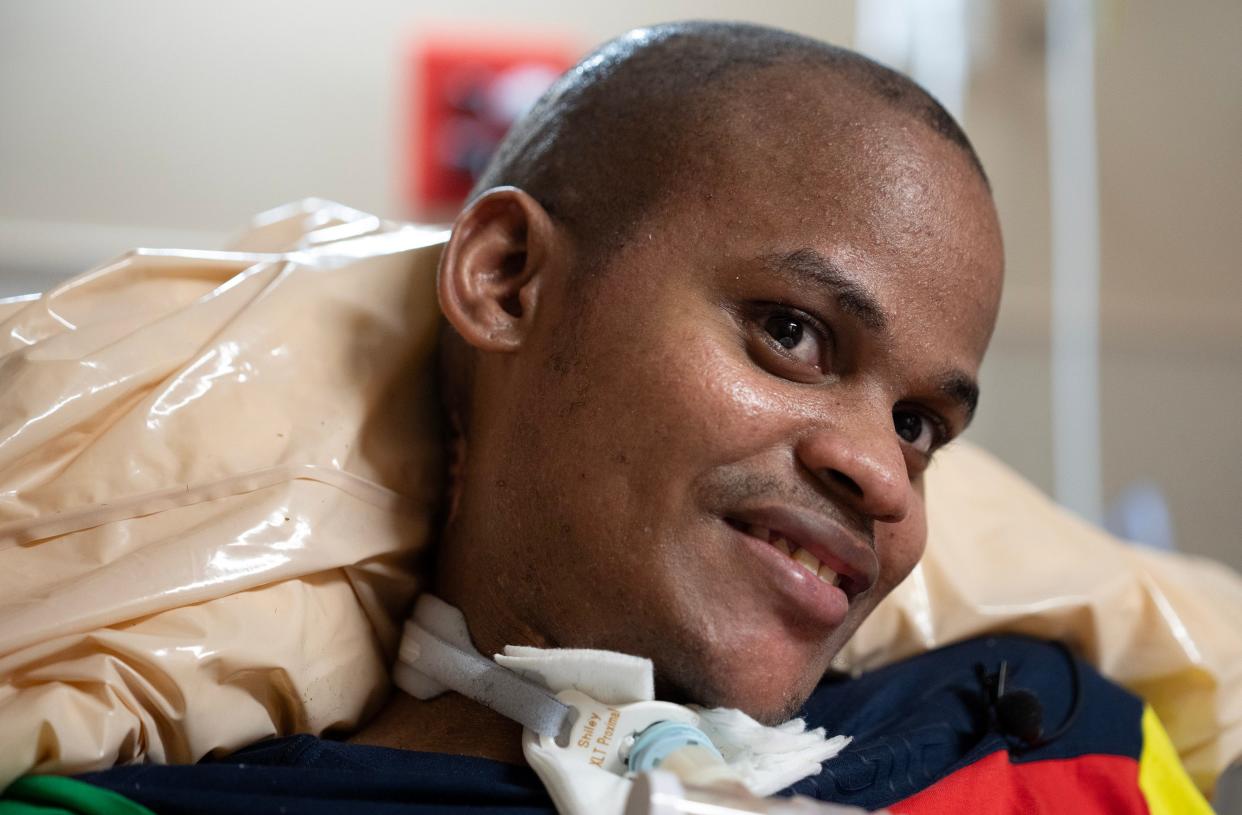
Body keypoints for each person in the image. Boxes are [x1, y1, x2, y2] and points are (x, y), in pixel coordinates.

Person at [0, 20, 1212, 815]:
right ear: (509, 279)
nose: (881, 474)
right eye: (791, 332)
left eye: (921, 423)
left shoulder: (1058, 741)